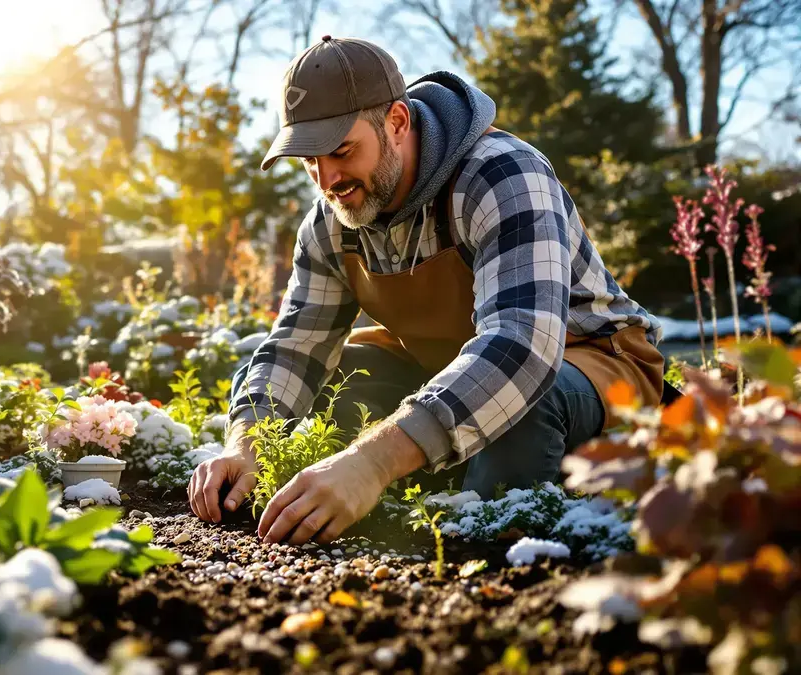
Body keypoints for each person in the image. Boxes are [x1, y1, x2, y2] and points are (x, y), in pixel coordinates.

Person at [186, 36, 667, 545]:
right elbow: (295, 348)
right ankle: (424, 484)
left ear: (397, 122)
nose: (327, 180)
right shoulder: (331, 221)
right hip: (445, 366)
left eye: (342, 151)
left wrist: (372, 462)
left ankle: (501, 526)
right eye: (308, 160)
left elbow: (522, 349)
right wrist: (247, 444)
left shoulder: (502, 175)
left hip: (585, 363)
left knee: (522, 410)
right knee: (307, 384)